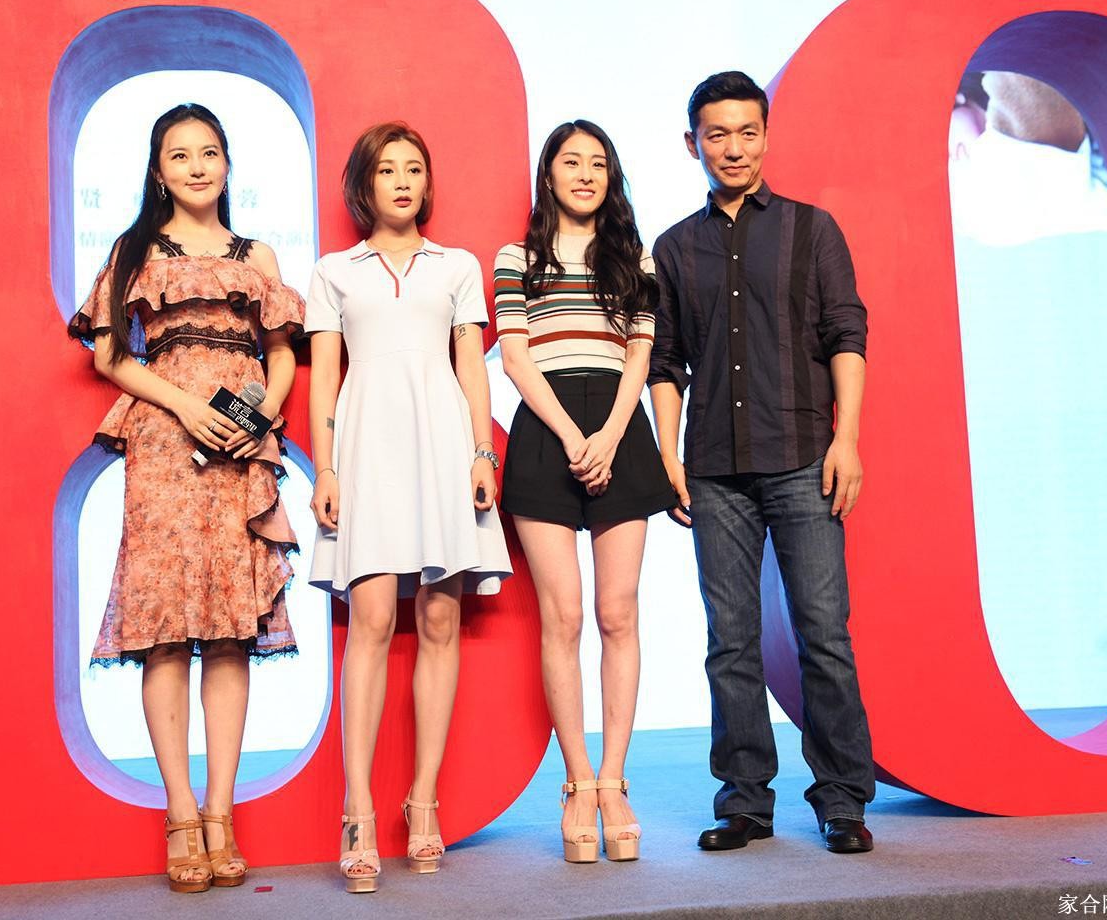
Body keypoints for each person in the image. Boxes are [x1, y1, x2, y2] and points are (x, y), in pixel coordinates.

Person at [67, 103, 305, 891]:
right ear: (158, 171)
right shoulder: (135, 249)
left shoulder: (256, 254)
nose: (198, 167)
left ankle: (220, 814)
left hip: (239, 448)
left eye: (210, 152)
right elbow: (109, 359)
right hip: (167, 447)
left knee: (231, 632)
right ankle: (179, 816)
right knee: (168, 630)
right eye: (180, 155)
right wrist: (185, 407)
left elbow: (280, 353)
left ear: (227, 164)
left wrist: (261, 416)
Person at [648, 72, 877, 854]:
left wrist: (848, 439)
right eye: (717, 134)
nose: (734, 148)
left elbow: (847, 334)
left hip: (805, 457)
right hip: (714, 468)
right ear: (693, 145)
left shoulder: (813, 230)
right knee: (731, 642)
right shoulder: (674, 248)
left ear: (767, 136)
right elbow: (666, 362)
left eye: (747, 132)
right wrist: (670, 455)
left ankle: (842, 800)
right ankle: (744, 801)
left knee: (824, 633)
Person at [304, 121, 511, 893]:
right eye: (387, 169)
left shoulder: (457, 267)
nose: (401, 180)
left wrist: (482, 452)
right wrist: (326, 469)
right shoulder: (334, 272)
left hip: (442, 445)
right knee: (369, 621)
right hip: (366, 450)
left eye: (413, 168)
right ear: (365, 184)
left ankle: (423, 803)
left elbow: (472, 367)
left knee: (439, 619)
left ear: (427, 182)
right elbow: (324, 379)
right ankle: (357, 810)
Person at [494, 120, 677, 864]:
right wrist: (574, 438)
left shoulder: (634, 257)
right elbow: (514, 357)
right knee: (563, 615)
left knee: (617, 612)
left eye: (597, 163)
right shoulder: (517, 258)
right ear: (549, 174)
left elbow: (640, 353)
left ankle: (613, 781)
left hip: (620, 430)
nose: (584, 174)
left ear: (611, 177)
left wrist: (609, 435)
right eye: (571, 161)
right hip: (548, 430)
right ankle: (575, 784)